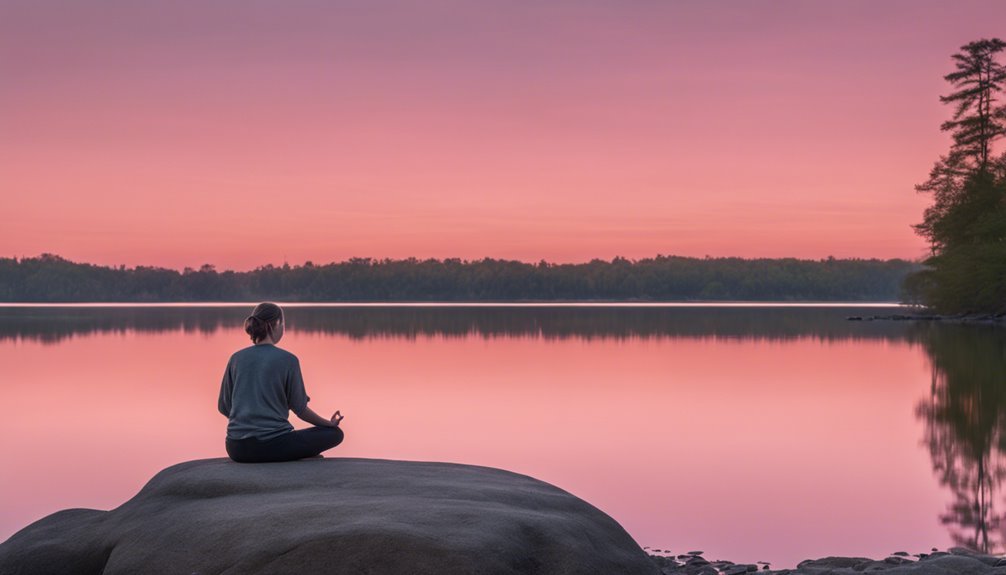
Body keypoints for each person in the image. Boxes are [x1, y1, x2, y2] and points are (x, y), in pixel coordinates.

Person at [218, 302, 345, 463]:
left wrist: (249, 417)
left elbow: (224, 407)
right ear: (275, 325)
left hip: (236, 448)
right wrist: (329, 423)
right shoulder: (288, 360)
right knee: (334, 434)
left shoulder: (236, 358)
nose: (283, 328)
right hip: (272, 446)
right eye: (283, 324)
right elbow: (300, 410)